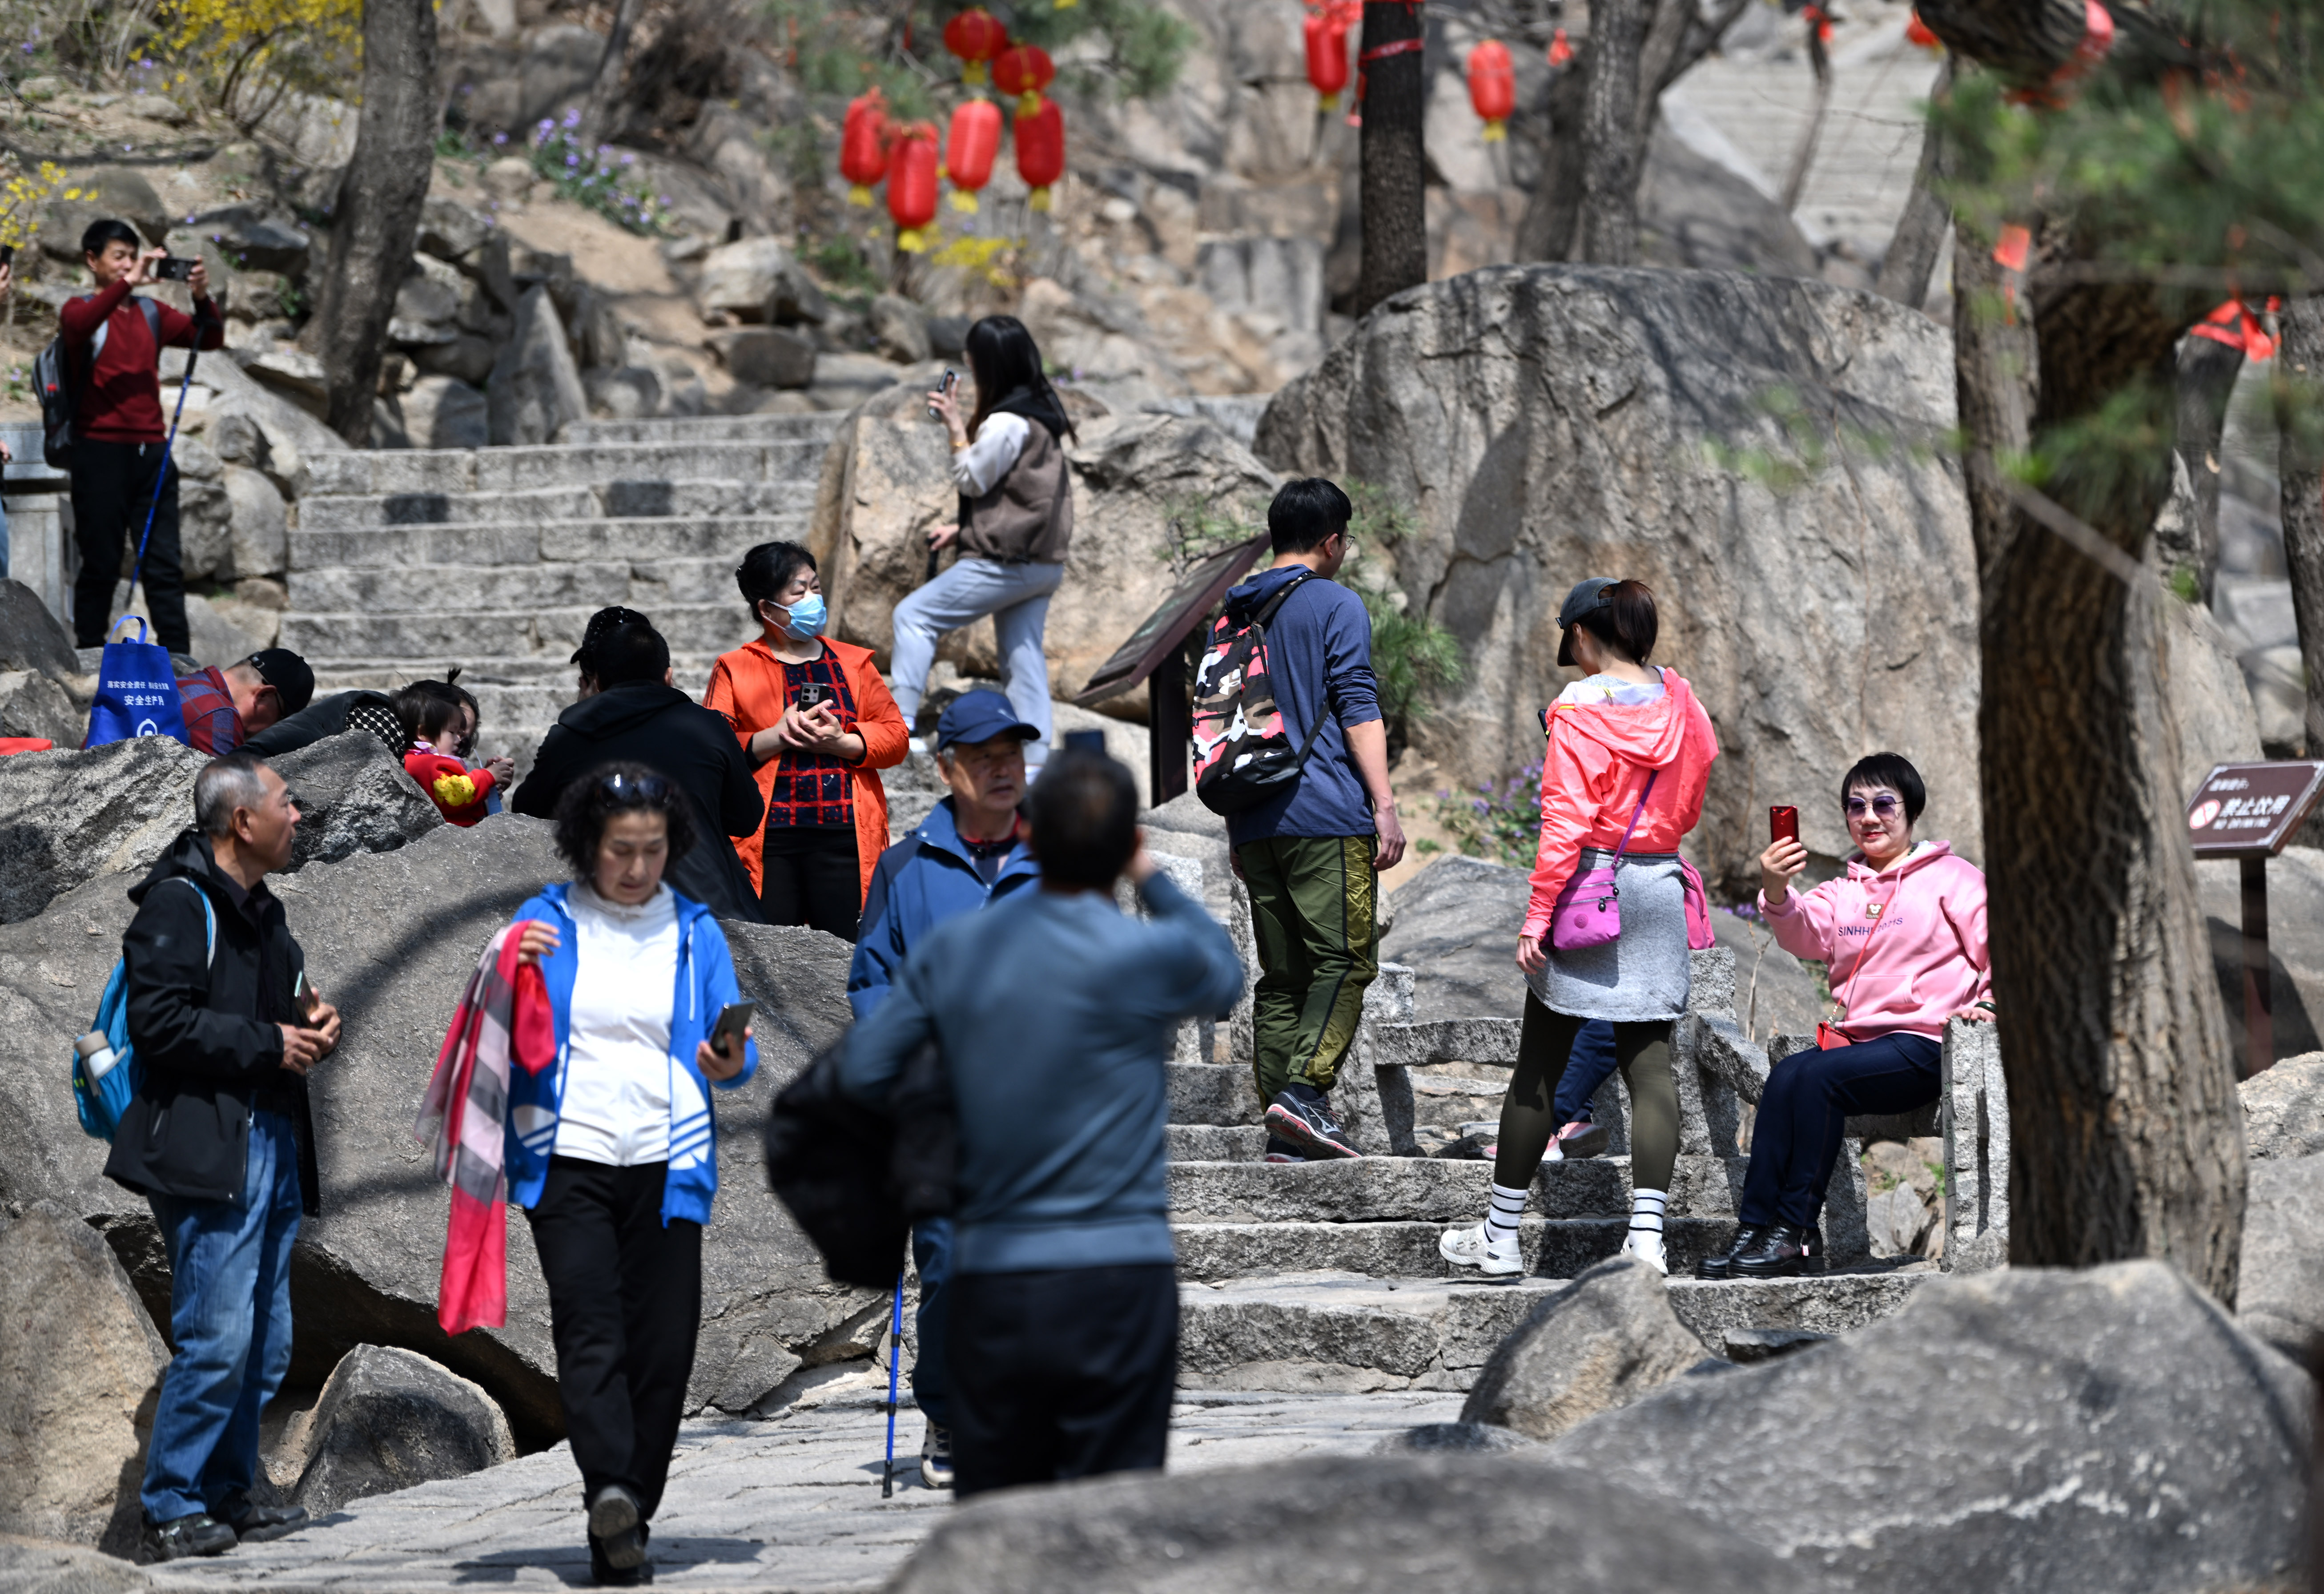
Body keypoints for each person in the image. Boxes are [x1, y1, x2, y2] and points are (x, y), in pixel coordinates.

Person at [840, 750, 1243, 1498]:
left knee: (1004, 1513)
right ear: (1122, 844)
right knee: (1114, 1499)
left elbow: (867, 1070)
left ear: (1033, 835)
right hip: (1123, 1269)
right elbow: (1223, 970)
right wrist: (1148, 874)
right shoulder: (1141, 953)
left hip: (997, 1268)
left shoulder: (959, 952)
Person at [505, 764, 759, 1587]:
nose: (637, 866)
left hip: (666, 1156)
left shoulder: (695, 930)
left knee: (663, 1349)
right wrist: (508, 965)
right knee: (590, 1330)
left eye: (653, 849)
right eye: (621, 849)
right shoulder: (542, 921)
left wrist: (727, 1058)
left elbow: (736, 1052)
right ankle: (609, 1484)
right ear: (588, 843)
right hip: (567, 1154)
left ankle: (627, 1519)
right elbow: (495, 1025)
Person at [1440, 578, 1719, 1279]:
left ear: (1585, 635)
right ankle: (1647, 1245)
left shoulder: (1577, 710)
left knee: (1538, 1066)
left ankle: (1500, 1240)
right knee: (1651, 1069)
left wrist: (1537, 917)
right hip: (1656, 883)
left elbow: (1564, 823)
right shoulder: (1685, 704)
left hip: (1589, 886)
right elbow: (1690, 799)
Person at [103, 753, 342, 1562]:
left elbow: (284, 1006)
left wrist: (313, 1019)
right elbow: (159, 1025)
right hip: (211, 1147)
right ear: (242, 819)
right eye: (287, 801)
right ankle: (169, 1503)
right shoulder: (176, 905)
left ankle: (231, 1491)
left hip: (271, 1141)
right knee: (217, 1334)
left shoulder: (263, 910)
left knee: (267, 1340)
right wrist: (269, 1040)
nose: (298, 813)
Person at [845, 687, 1042, 1489]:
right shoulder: (904, 867)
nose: (1005, 769)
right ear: (949, 769)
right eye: (986, 756)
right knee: (952, 1264)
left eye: (1015, 753)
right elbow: (871, 981)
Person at [1697, 752, 1992, 1280]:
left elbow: (2001, 947)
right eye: (1856, 806)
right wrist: (1774, 889)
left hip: (1925, 1043)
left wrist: (1989, 1002)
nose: (1869, 817)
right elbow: (1803, 934)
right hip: (1861, 1046)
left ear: (1912, 809)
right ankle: (1755, 1227)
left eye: (1884, 804)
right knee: (1786, 1075)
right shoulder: (1843, 889)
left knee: (1818, 1078)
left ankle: (1795, 1233)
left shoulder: (1955, 878)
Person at [1220, 478, 1406, 1164]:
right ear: (1331, 541)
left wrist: (1233, 824)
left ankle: (1287, 1131)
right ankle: (1303, 1095)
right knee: (1347, 958)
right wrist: (1383, 803)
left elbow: (1220, 722)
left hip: (1251, 817)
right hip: (1323, 809)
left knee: (1282, 976)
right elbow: (1356, 703)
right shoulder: (1334, 602)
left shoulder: (1231, 612)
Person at [891, 315, 1076, 759]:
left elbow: (972, 480)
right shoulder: (1041, 415)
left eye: (971, 356)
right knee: (1022, 656)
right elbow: (1026, 496)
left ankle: (899, 726)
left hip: (1005, 562)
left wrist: (955, 426)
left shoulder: (1006, 421)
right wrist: (963, 529)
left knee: (913, 616)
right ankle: (1035, 760)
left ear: (988, 362)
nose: (967, 363)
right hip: (1042, 563)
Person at [704, 541, 907, 940]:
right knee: (769, 957)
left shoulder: (854, 663)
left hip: (844, 837)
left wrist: (842, 743)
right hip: (768, 841)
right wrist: (777, 736)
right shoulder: (735, 667)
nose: (812, 599)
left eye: (815, 588)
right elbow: (713, 750)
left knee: (848, 955)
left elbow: (896, 736)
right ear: (766, 609)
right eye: (798, 592)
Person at [514, 620, 766, 923]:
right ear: (668, 677)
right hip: (714, 909)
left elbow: (525, 814)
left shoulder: (567, 738)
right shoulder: (709, 726)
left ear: (599, 684)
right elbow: (747, 817)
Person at [60, 219, 225, 654]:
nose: (128, 266)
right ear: (92, 261)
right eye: (119, 257)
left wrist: (201, 296)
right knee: (100, 562)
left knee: (165, 566)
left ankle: (179, 661)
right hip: (99, 451)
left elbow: (208, 338)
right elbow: (77, 328)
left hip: (152, 452)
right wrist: (125, 285)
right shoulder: (81, 309)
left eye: (133, 257)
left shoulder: (152, 313)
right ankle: (90, 657)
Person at [395, 679, 516, 826]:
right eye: (453, 732)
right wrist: (488, 776)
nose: (459, 739)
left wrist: (489, 790)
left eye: (463, 734)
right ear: (424, 732)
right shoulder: (421, 763)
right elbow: (453, 795)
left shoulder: (430, 761)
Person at [175, 649, 314, 757]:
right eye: (281, 718)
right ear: (264, 695)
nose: (272, 729)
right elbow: (224, 792)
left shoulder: (190, 680)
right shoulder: (220, 715)